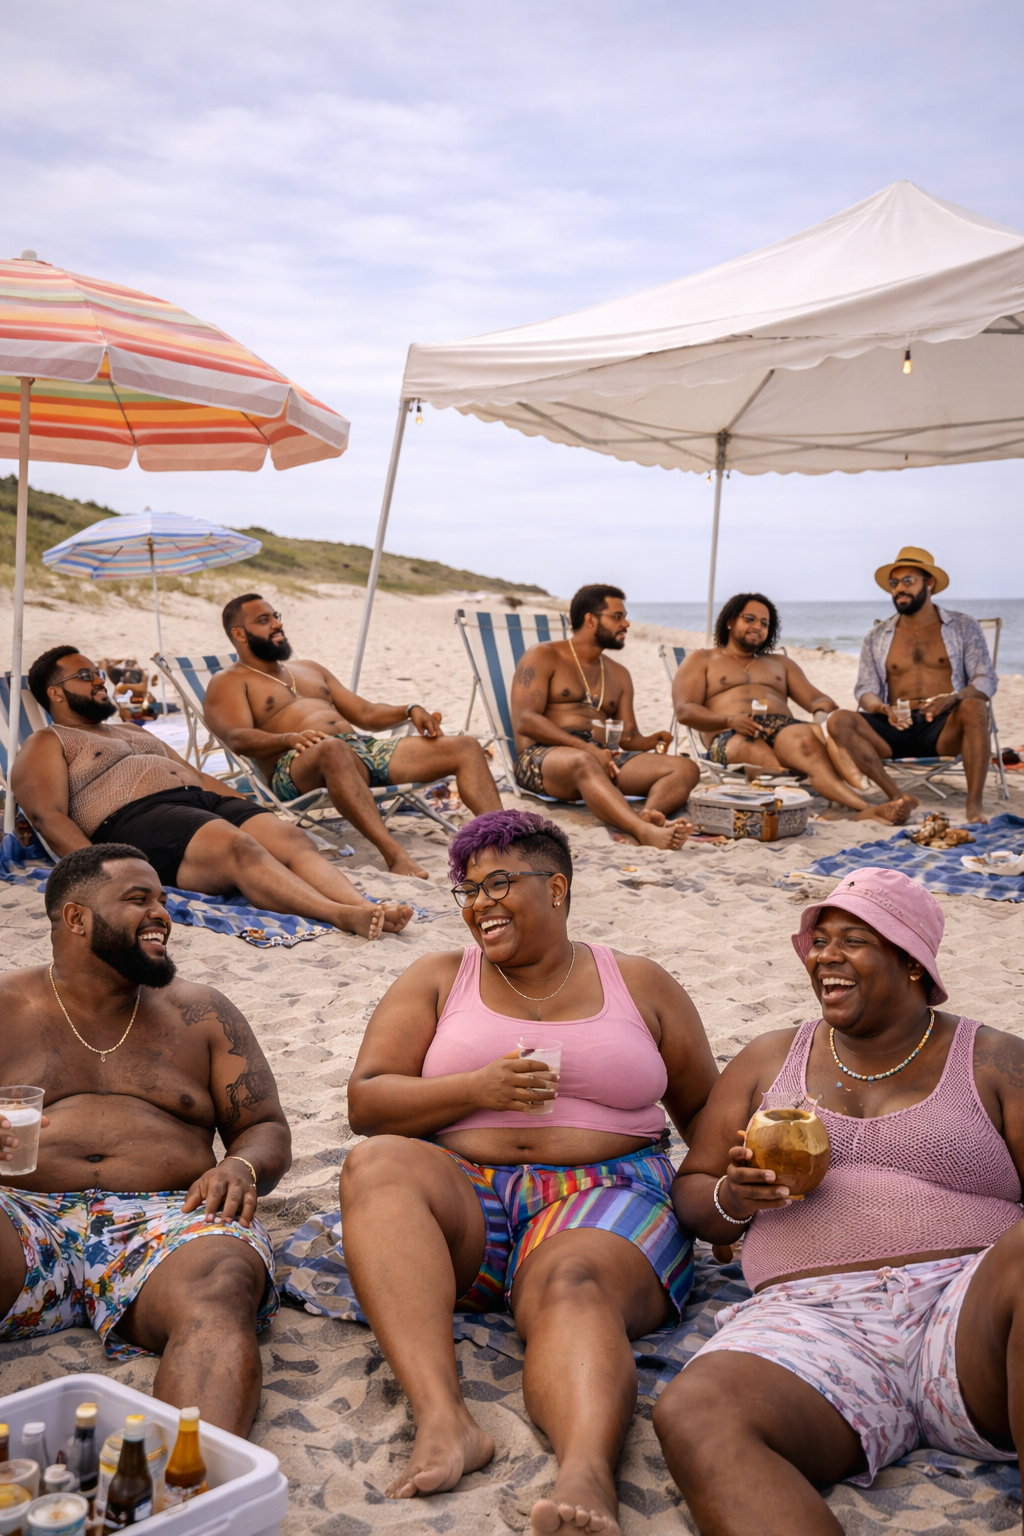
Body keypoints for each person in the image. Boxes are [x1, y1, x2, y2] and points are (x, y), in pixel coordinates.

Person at [338, 809, 718, 1535]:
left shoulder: (638, 983)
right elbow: (368, 1100)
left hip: (606, 1195)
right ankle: (446, 1420)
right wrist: (470, 1091)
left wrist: (725, 1216)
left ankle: (583, 1474)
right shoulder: (438, 977)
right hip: (470, 1204)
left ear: (558, 888)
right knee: (376, 1162)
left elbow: (703, 1110)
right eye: (469, 890)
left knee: (569, 1281)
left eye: (500, 883)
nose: (480, 903)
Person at [651, 867, 1024, 1536]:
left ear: (910, 959)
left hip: (966, 1327)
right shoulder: (770, 1060)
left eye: (851, 939)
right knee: (693, 1409)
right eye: (818, 941)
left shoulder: (996, 1064)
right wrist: (735, 1197)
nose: (824, 955)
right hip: (811, 1329)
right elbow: (691, 1200)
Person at [0, 843, 292, 1435]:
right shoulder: (5, 1008)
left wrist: (241, 1168)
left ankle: (193, 1494)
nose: (163, 913)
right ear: (76, 917)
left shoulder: (203, 1014)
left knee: (223, 1283)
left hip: (170, 1220)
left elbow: (264, 1125)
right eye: (139, 899)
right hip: (20, 1215)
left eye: (163, 899)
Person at [12, 645, 411, 940]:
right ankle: (339, 914)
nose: (100, 681)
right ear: (56, 693)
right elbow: (48, 816)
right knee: (240, 848)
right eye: (85, 676)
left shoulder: (132, 730)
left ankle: (364, 906)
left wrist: (251, 808)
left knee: (289, 837)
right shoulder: (48, 742)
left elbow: (195, 775)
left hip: (198, 801)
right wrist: (99, 875)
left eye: (99, 673)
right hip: (138, 819)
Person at [204, 594, 503, 881]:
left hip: (361, 750)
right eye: (264, 620)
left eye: (276, 616)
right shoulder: (228, 681)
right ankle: (394, 853)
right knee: (331, 748)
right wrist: (289, 738)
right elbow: (237, 737)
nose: (277, 624)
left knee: (465, 746)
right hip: (294, 765)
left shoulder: (308, 669)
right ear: (240, 634)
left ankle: (506, 841)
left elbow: (366, 714)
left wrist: (410, 709)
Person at [673, 592, 918, 824]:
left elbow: (815, 699)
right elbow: (685, 710)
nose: (757, 627)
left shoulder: (780, 663)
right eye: (749, 619)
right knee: (768, 758)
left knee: (807, 743)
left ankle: (864, 810)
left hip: (782, 728)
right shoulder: (702, 659)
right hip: (729, 735)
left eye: (764, 623)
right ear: (729, 622)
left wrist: (823, 715)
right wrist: (729, 721)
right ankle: (860, 807)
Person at [509, 585, 699, 851]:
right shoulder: (543, 655)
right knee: (584, 760)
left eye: (625, 616)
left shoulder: (619, 674)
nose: (626, 623)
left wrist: (649, 741)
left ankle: (649, 814)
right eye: (617, 617)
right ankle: (640, 830)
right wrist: (586, 748)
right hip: (543, 757)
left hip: (599, 756)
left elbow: (628, 737)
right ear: (590, 619)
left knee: (685, 768)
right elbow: (526, 720)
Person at [826, 547, 997, 824]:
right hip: (896, 726)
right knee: (838, 720)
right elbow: (864, 690)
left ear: (929, 584)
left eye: (908, 581)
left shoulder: (963, 626)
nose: (899, 589)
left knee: (975, 705)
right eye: (894, 583)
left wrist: (953, 699)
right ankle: (898, 797)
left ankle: (974, 805)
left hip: (944, 728)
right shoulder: (877, 636)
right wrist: (883, 709)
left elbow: (985, 680)